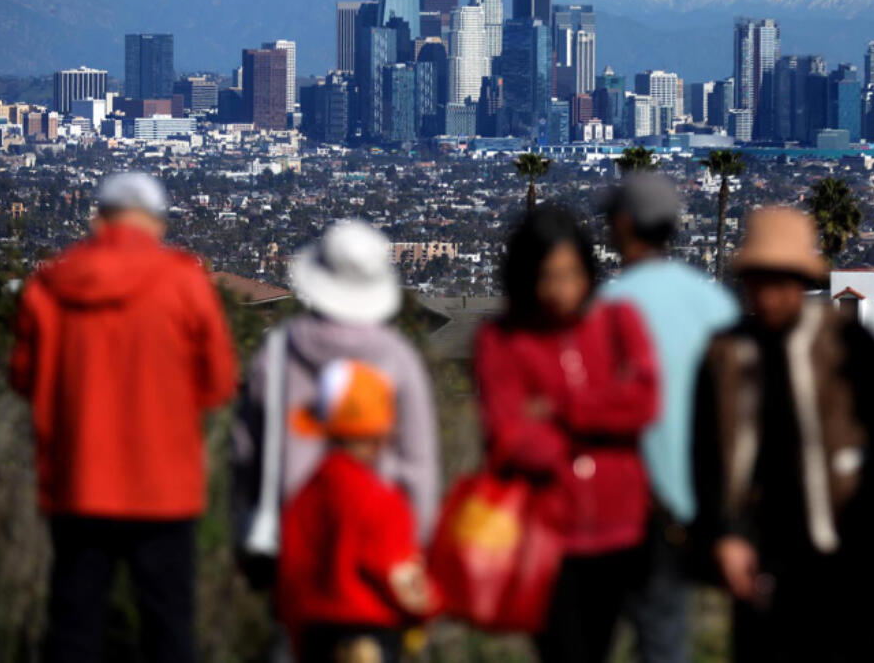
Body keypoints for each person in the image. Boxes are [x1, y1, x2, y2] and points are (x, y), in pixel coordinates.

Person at [10, 171, 237, 663]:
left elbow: (23, 377)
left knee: (73, 624)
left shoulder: (49, 285)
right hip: (165, 487)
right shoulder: (184, 281)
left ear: (99, 219)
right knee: (169, 626)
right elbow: (218, 383)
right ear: (155, 223)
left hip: (78, 482)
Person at [692, 206, 874, 663]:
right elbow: (705, 454)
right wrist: (724, 535)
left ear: (799, 280)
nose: (768, 295)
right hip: (761, 553)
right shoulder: (726, 354)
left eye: (779, 281)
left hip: (847, 554)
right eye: (758, 280)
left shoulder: (848, 345)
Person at [473, 206, 659, 663]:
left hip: (621, 529)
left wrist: (560, 410)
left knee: (599, 648)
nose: (561, 289)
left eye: (571, 274)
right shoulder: (501, 340)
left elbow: (645, 402)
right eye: (547, 276)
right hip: (546, 535)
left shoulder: (618, 322)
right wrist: (601, 421)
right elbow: (511, 438)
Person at [233, 218, 440, 555]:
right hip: (380, 540)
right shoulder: (398, 359)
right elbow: (418, 463)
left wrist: (245, 527)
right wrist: (418, 544)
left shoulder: (279, 353)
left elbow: (246, 452)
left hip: (296, 539)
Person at [600, 173, 739, 663]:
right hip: (703, 502)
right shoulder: (715, 302)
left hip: (627, 501)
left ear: (622, 225)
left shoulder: (611, 306)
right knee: (667, 639)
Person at [278, 359, 439, 663]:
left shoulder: (303, 496)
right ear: (380, 437)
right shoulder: (382, 500)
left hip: (312, 635)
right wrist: (431, 605)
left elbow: (288, 577)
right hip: (369, 638)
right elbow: (401, 579)